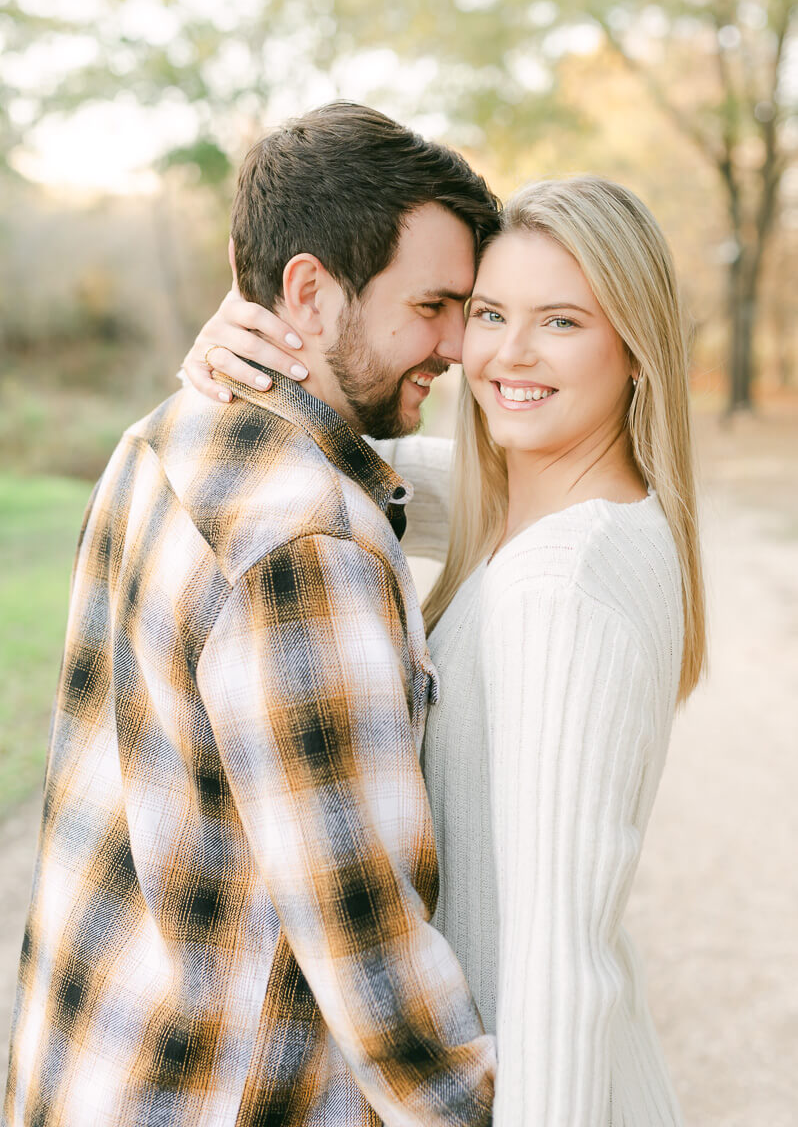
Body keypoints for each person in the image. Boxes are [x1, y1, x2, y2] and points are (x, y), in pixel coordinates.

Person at [3, 103, 503, 1127]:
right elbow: (372, 959)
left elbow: (392, 487)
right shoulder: (305, 548)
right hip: (209, 1095)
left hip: (89, 1071)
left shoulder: (164, 436)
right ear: (309, 293)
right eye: (435, 304)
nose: (460, 344)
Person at [182, 173, 706, 1125]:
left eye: (560, 323)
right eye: (490, 312)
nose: (504, 353)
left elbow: (558, 962)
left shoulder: (564, 586)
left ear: (636, 346)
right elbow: (332, 461)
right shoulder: (531, 500)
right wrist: (242, 346)